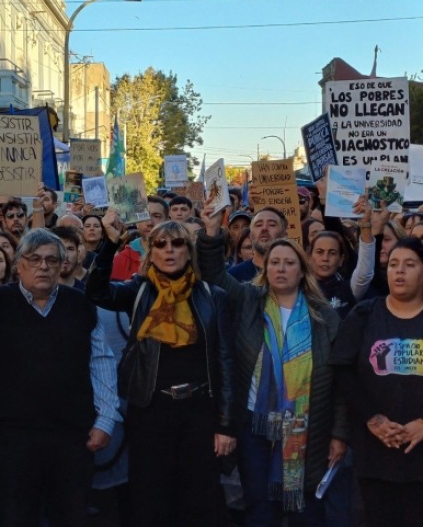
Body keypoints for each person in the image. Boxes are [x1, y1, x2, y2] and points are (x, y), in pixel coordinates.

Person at [0, 229, 120, 526]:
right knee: (15, 516)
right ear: (19, 265)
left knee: (71, 515)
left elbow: (100, 360)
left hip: (72, 438)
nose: (43, 266)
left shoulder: (80, 304)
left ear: (62, 264)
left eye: (52, 260)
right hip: (13, 439)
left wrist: (105, 419)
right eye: (34, 259)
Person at [198, 206, 348, 524]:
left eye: (289, 263)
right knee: (260, 505)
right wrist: (211, 234)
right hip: (255, 426)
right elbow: (214, 275)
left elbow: (341, 383)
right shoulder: (249, 301)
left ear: (301, 269)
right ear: (266, 268)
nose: (281, 269)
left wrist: (339, 433)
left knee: (305, 508)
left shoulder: (325, 318)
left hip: (308, 427)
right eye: (275, 263)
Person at [85, 212, 235, 525]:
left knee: (198, 500)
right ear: (150, 252)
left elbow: (223, 360)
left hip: (198, 410)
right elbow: (96, 292)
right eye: (161, 244)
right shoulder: (139, 291)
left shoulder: (211, 296)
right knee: (151, 500)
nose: (169, 249)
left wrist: (225, 424)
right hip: (150, 410)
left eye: (177, 243)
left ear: (188, 251)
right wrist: (109, 246)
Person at [329, 237, 423, 526]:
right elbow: (343, 371)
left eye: (409, 265)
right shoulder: (365, 313)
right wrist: (374, 419)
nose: (399, 271)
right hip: (375, 453)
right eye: (394, 264)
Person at [111, 195, 169, 281]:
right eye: (144, 215)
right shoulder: (121, 260)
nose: (149, 222)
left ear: (167, 221)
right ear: (137, 222)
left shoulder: (178, 257)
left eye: (156, 216)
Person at [228, 207, 288, 283]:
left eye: (272, 225)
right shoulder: (232, 277)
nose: (264, 228)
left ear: (284, 235)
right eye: (259, 225)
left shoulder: (297, 274)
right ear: (251, 236)